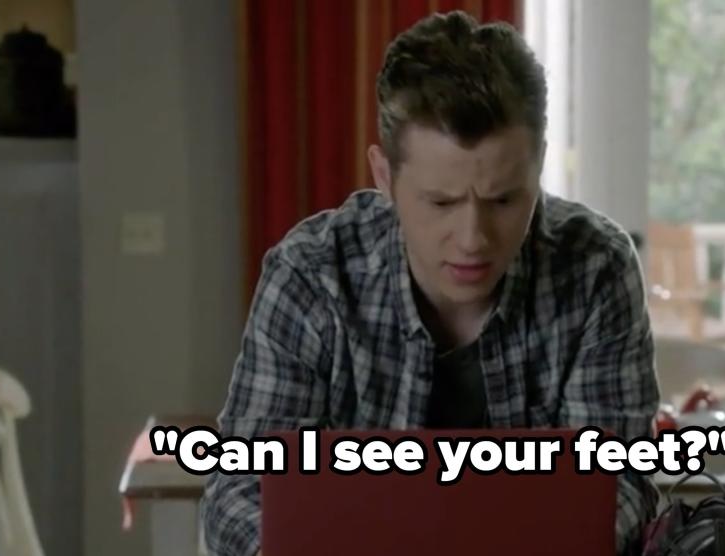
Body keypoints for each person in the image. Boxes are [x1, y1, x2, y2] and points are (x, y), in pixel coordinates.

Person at [202, 10, 661, 556]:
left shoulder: (596, 268)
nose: (472, 238)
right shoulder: (311, 275)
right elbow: (239, 486)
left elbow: (622, 480)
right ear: (384, 178)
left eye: (504, 200)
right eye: (441, 202)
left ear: (537, 167)